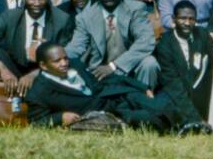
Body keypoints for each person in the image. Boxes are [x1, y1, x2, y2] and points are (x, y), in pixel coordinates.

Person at [24, 42, 183, 131]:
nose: (64, 63)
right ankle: (178, 129)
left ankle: (187, 123)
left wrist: (141, 86)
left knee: (159, 103)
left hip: (117, 95)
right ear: (43, 66)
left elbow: (105, 78)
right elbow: (35, 122)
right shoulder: (38, 92)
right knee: (148, 118)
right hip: (108, 114)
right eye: (57, 61)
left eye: (65, 58)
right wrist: (60, 117)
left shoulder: (76, 64)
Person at [0, 0, 75, 91]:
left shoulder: (61, 20)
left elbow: (66, 55)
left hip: (46, 70)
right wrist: (3, 70)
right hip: (15, 66)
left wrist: (36, 73)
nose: (37, 3)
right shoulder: (10, 17)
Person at [66, 0, 160, 90]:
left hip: (131, 66)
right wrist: (54, 57)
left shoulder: (135, 8)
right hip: (100, 71)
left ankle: (145, 98)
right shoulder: (85, 17)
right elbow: (76, 47)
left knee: (149, 63)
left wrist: (114, 66)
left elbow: (145, 42)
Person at [155, 0, 213, 125]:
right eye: (183, 18)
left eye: (191, 19)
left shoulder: (203, 35)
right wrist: (196, 119)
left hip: (200, 93)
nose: (187, 23)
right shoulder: (164, 44)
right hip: (176, 93)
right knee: (164, 108)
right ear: (174, 19)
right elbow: (173, 85)